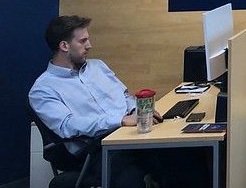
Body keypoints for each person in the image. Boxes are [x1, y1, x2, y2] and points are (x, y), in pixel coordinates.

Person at [29, 15, 162, 188]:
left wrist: (137, 111)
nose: (89, 46)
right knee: (129, 176)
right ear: (64, 46)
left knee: (183, 156)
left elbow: (125, 96)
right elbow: (68, 126)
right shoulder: (43, 89)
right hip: (96, 151)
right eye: (83, 41)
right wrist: (120, 120)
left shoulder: (98, 66)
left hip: (130, 137)